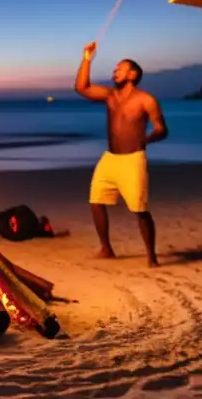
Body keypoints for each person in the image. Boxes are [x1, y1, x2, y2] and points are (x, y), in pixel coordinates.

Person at [75, 41, 168, 267]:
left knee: (139, 209)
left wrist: (146, 139)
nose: (115, 71)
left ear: (133, 74)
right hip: (110, 158)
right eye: (115, 68)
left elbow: (161, 129)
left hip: (133, 159)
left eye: (120, 68)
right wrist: (87, 58)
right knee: (96, 200)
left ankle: (151, 256)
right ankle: (106, 248)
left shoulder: (147, 100)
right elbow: (81, 87)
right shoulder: (110, 96)